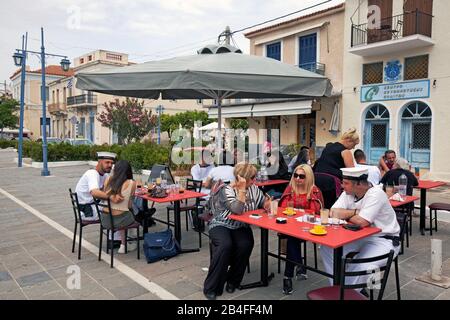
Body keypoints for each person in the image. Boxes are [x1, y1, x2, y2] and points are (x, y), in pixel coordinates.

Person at [320, 167, 401, 287]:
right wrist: (355, 212)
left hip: (384, 239)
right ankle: (338, 288)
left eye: (346, 183)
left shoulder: (375, 193)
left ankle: (346, 293)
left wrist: (346, 214)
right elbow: (333, 212)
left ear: (358, 184)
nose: (342, 186)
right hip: (358, 236)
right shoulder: (348, 193)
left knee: (360, 265)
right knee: (327, 249)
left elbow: (362, 222)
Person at [203, 163, 271, 300]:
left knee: (246, 243)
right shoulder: (227, 190)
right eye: (252, 178)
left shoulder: (254, 189)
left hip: (240, 225)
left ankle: (233, 280)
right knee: (225, 245)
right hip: (221, 223)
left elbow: (262, 201)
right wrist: (242, 190)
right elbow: (237, 209)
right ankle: (211, 286)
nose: (255, 180)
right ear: (243, 178)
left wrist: (267, 204)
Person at [279, 164, 324, 295]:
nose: (298, 178)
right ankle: (299, 265)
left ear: (308, 177)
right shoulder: (290, 189)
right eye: (296, 175)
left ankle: (288, 276)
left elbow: (316, 212)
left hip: (308, 227)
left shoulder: (315, 191)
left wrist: (298, 212)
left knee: (292, 239)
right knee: (292, 238)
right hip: (289, 226)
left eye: (302, 176)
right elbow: (282, 207)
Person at [314, 128, 360, 209]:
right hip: (331, 182)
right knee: (329, 207)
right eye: (354, 145)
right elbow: (351, 172)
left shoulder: (328, 147)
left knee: (319, 205)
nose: (353, 148)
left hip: (316, 178)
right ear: (349, 140)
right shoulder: (345, 151)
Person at [103, 160, 139, 253]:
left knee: (122, 213)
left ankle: (123, 245)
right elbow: (129, 205)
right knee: (129, 213)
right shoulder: (131, 183)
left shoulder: (107, 180)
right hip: (121, 220)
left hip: (105, 220)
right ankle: (125, 244)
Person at [75, 152, 122, 221]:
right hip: (88, 211)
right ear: (99, 162)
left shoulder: (105, 175)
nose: (110, 165)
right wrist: (112, 197)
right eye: (107, 162)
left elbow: (110, 189)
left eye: (112, 163)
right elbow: (95, 193)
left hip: (95, 206)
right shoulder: (92, 173)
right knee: (121, 213)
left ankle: (116, 230)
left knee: (119, 209)